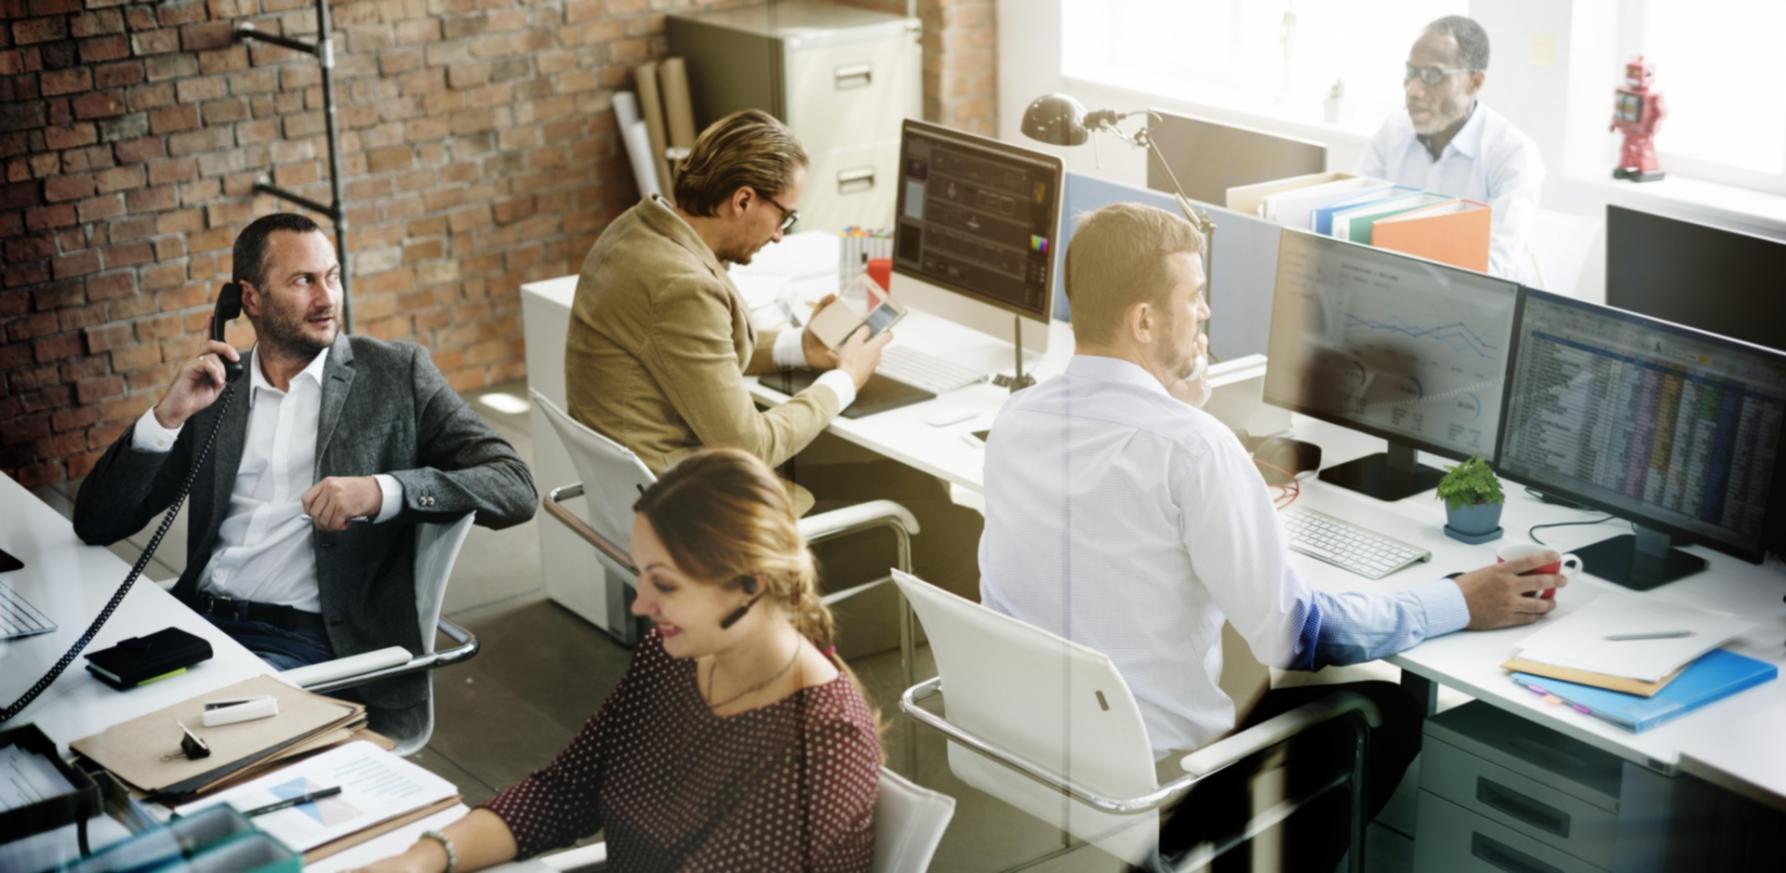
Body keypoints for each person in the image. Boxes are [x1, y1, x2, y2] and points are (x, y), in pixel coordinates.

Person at [977, 203, 1569, 870]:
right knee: (1382, 703)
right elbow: (1300, 635)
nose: (1205, 314)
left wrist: (1179, 411)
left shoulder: (1017, 418)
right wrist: (1461, 599)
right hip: (1157, 779)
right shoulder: (1192, 450)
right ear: (1144, 320)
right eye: (1194, 297)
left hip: (1043, 750)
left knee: (1243, 662)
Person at [73, 213, 537, 736]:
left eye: (332, 277)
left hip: (307, 644)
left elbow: (514, 484)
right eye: (303, 281)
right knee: (79, 720)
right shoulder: (217, 389)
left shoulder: (394, 374)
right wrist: (167, 417)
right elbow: (97, 521)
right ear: (248, 300)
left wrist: (381, 492)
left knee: (174, 744)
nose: (327, 298)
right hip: (195, 626)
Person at [356, 449, 881, 873]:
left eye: (666, 584)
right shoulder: (673, 656)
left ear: (749, 586)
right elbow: (563, 793)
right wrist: (421, 859)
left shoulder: (824, 740)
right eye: (642, 574)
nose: (641, 604)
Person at [564, 108, 982, 610]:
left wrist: (797, 347)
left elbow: (690, 347)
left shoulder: (637, 232)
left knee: (915, 484)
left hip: (657, 498)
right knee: (958, 529)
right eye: (785, 216)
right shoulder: (683, 285)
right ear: (743, 199)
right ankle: (820, 678)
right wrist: (845, 380)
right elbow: (748, 444)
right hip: (710, 538)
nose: (781, 234)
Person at [1358, 15, 1545, 285]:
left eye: (1432, 76)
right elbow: (1350, 225)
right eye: (1410, 73)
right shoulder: (1393, 132)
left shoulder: (1512, 153)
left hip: (1484, 311)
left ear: (1475, 82)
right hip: (1401, 293)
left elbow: (1494, 271)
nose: (1414, 90)